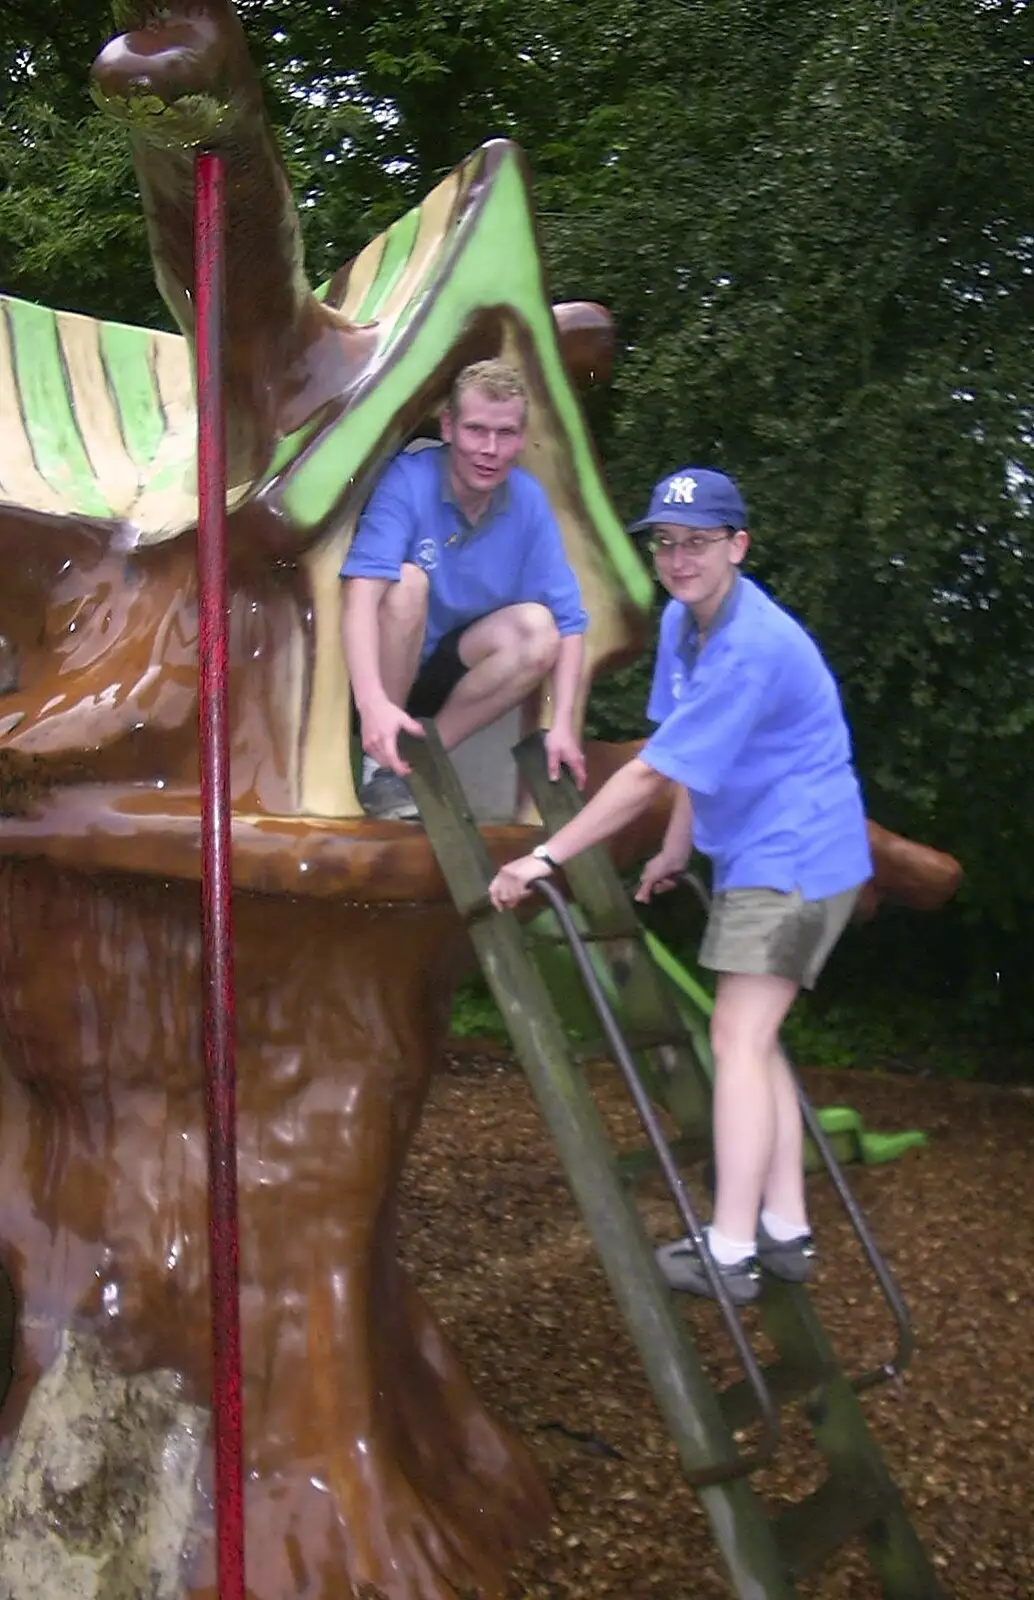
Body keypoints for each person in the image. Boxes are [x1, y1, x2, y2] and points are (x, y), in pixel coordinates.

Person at [487, 466, 872, 1304]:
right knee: (754, 1038)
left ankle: (730, 1250)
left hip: (799, 857)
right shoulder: (683, 623)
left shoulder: (752, 646)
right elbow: (687, 759)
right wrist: (674, 846)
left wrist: (545, 856)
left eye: (698, 541)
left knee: (735, 1040)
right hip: (759, 854)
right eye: (665, 541)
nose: (679, 557)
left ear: (738, 545)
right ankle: (785, 1231)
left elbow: (647, 771)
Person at [340, 359, 588, 819]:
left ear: (520, 436)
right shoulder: (409, 479)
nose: (490, 449)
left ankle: (417, 760)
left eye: (505, 433)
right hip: (376, 673)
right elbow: (361, 593)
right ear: (449, 427)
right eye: (476, 430)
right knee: (407, 584)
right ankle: (380, 762)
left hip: (448, 676)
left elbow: (571, 624)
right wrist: (370, 703)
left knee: (541, 631)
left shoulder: (527, 500)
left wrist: (564, 725)